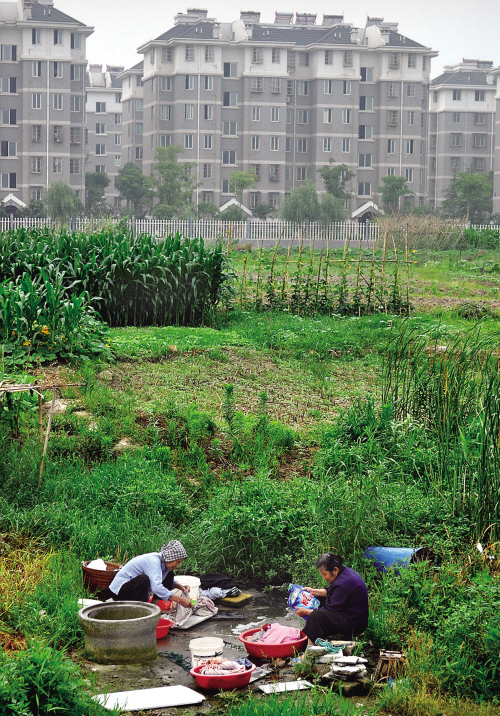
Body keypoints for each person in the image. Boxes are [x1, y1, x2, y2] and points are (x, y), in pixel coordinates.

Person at [294, 553, 368, 645]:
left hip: (355, 623)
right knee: (317, 599)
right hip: (350, 613)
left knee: (316, 616)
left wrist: (306, 612)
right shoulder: (344, 572)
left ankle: (309, 650)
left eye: (324, 574)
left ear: (335, 570)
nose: (323, 577)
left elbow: (329, 610)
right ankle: (314, 632)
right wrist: (313, 591)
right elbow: (332, 592)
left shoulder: (342, 584)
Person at [106, 540, 191, 607]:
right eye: (177, 562)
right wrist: (180, 600)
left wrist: (179, 586)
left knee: (169, 573)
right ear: (170, 557)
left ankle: (154, 606)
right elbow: (156, 586)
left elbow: (166, 580)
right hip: (118, 592)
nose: (177, 565)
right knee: (143, 579)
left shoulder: (164, 564)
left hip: (132, 590)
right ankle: (139, 610)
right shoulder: (153, 561)